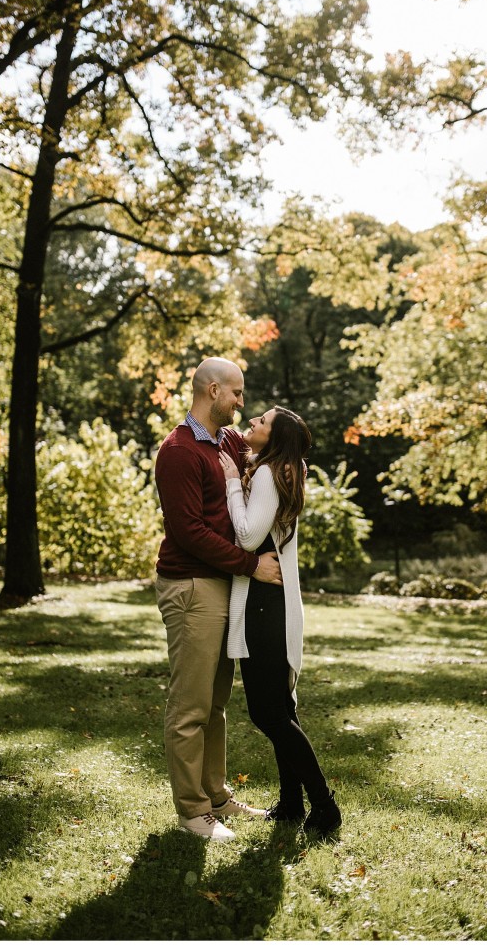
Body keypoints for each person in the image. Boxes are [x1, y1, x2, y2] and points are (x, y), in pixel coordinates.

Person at [155, 357, 283, 842]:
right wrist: (252, 565)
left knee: (215, 702)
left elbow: (265, 469)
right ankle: (192, 812)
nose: (241, 403)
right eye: (237, 393)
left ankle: (215, 795)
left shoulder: (227, 442)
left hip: (223, 584)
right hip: (192, 585)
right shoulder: (179, 451)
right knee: (190, 706)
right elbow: (187, 532)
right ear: (213, 390)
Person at [218, 405, 342, 838]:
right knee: (280, 708)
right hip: (273, 601)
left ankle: (324, 806)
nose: (253, 421)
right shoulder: (279, 472)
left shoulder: (270, 474)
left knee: (267, 713)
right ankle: (291, 804)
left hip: (266, 605)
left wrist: (234, 483)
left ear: (275, 438)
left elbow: (249, 536)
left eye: (262, 422)